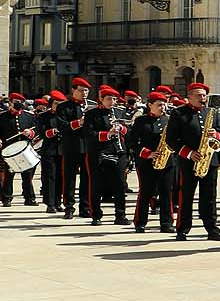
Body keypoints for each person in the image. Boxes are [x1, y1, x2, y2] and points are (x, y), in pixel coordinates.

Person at [165, 82, 220, 241]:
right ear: (189, 97)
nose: (202, 98)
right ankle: (183, 229)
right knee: (186, 195)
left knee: (209, 197)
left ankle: (212, 229)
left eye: (204, 95)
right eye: (198, 95)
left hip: (209, 160)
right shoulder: (179, 113)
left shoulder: (213, 112)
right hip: (188, 161)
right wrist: (189, 153)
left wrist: (216, 134)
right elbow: (171, 140)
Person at [82, 86, 128, 226]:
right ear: (101, 99)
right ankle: (96, 215)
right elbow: (88, 134)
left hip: (118, 151)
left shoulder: (120, 112)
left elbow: (129, 129)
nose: (112, 102)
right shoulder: (92, 114)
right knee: (97, 184)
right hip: (98, 152)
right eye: (109, 99)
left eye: (114, 99)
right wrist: (107, 134)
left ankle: (120, 215)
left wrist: (122, 129)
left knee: (120, 184)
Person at [128, 91, 173, 233]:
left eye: (164, 105)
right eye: (159, 105)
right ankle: (140, 222)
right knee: (145, 192)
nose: (163, 108)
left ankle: (167, 223)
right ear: (150, 105)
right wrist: (147, 153)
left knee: (166, 192)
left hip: (167, 162)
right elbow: (131, 142)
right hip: (146, 162)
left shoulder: (169, 120)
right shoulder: (141, 121)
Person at [54, 76, 91, 219]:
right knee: (69, 178)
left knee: (87, 178)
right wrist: (78, 123)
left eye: (86, 91)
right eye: (81, 90)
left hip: (87, 147)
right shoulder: (64, 106)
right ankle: (69, 207)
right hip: (71, 146)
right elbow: (62, 126)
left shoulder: (91, 106)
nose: (84, 94)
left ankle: (85, 207)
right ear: (73, 90)